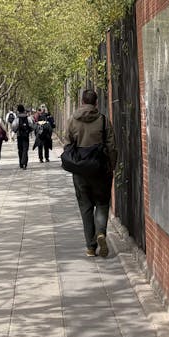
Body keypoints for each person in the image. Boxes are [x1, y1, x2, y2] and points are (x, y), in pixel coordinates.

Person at [64, 88, 117, 257]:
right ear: (96, 103)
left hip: (80, 171)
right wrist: (112, 166)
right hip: (100, 169)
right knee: (101, 203)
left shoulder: (72, 120)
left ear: (81, 102)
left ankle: (90, 246)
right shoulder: (103, 120)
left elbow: (67, 144)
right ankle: (100, 231)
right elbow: (112, 146)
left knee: (85, 207)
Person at [11, 103, 34, 169]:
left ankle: (21, 163)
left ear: (18, 111)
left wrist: (14, 133)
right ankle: (24, 163)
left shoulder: (17, 119)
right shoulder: (28, 118)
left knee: (20, 149)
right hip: (26, 136)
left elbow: (13, 127)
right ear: (24, 110)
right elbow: (32, 126)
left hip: (19, 136)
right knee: (25, 149)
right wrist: (28, 131)